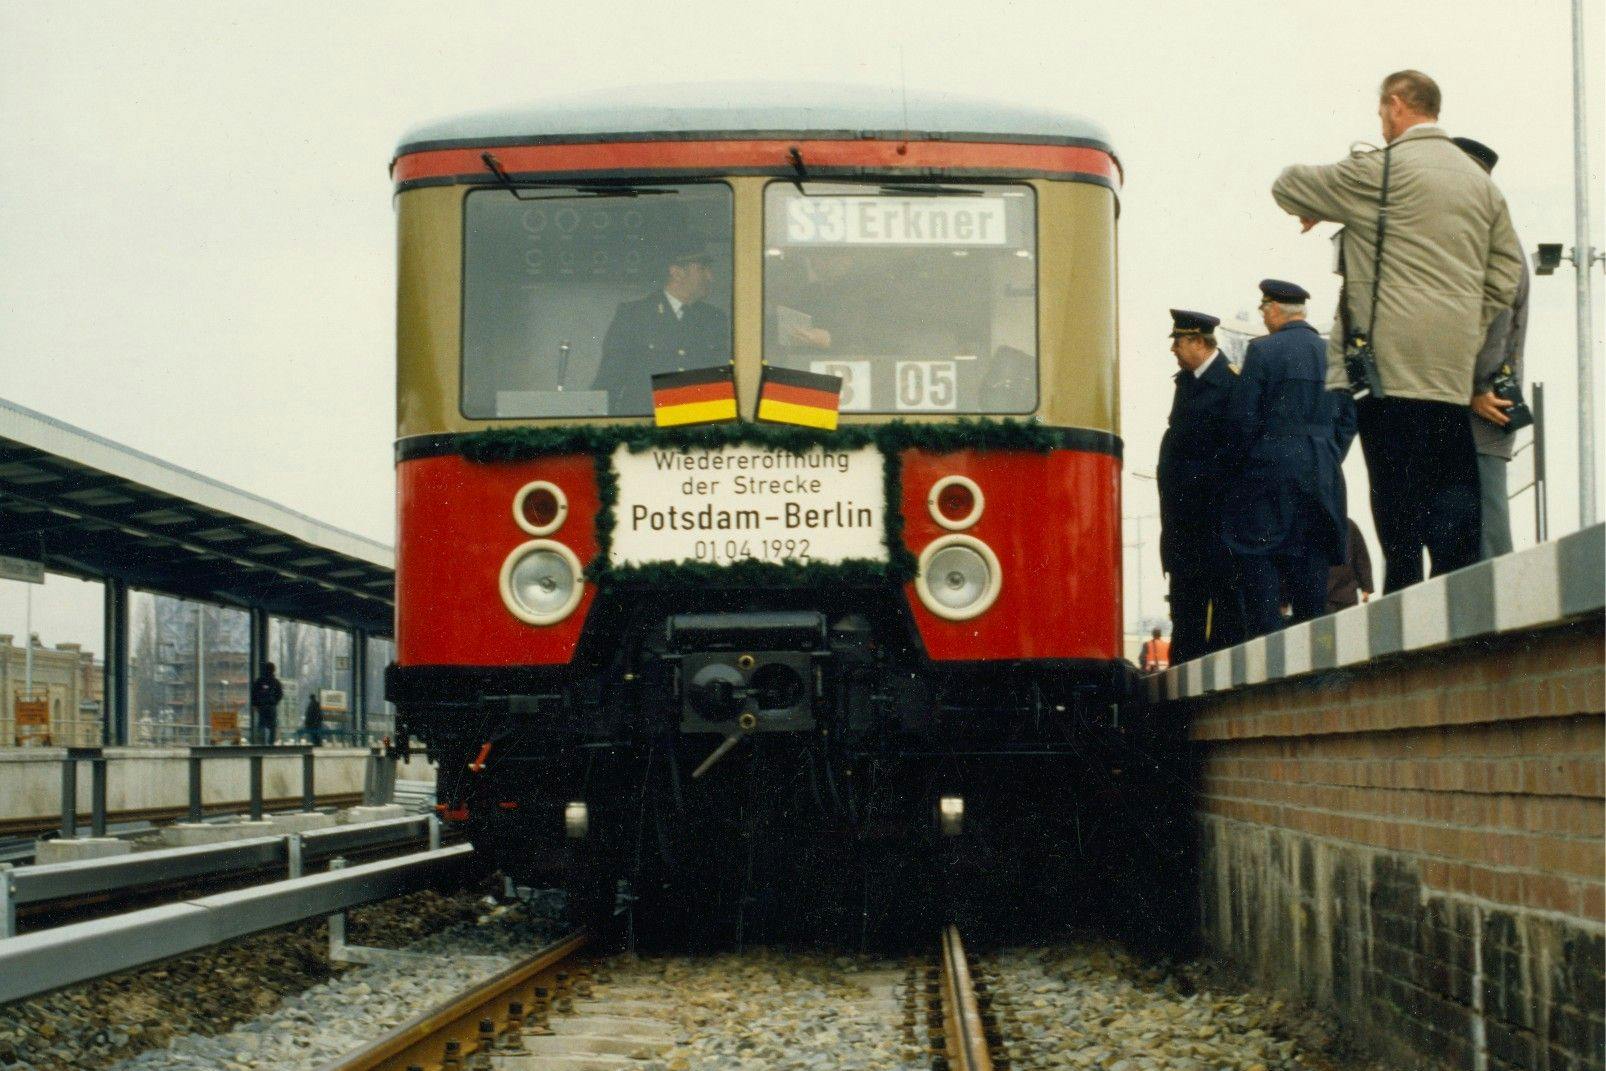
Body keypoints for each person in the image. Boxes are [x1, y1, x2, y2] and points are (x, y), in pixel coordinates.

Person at [1271, 70, 1524, 592]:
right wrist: (1467, 325)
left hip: (1386, 366)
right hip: (1450, 369)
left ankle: (1404, 597)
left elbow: (1287, 184)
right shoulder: (1480, 183)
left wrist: (1323, 204)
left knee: (1395, 497)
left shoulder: (1379, 171)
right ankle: (1455, 603)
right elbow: (1507, 272)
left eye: (1381, 112)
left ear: (1395, 105)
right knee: (1452, 496)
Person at [1222, 280, 1347, 638]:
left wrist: (1249, 465)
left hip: (1268, 477)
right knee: (1312, 576)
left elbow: (1243, 420)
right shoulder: (1333, 355)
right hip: (1322, 476)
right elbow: (1348, 420)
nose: (1263, 317)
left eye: (1264, 309)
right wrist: (1326, 455)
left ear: (1275, 309)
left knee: (1260, 569)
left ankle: (1268, 656)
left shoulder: (1262, 351)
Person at [1453, 136, 1530, 559]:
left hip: (1483, 406)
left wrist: (1476, 387)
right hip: (1481, 406)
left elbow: (1496, 319)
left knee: (1486, 537)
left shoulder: (1489, 235)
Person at [1157, 309, 1243, 664]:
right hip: (1184, 523)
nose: (1173, 349)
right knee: (1185, 613)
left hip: (1212, 524)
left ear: (1197, 342)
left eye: (1178, 342)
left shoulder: (1230, 384)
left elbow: (1232, 455)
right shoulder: (1188, 383)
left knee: (1219, 615)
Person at [595, 247, 730, 415]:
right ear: (676, 272)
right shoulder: (635, 315)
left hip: (694, 422)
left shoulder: (713, 318)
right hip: (646, 423)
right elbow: (609, 380)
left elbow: (719, 384)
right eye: (702, 269)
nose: (710, 277)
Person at [1328, 517, 1375, 612]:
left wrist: (1366, 587)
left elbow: (1361, 556)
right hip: (1324, 596)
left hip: (1348, 593)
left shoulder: (1349, 525)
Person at [249, 662, 283, 746]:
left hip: (261, 707)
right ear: (273, 670)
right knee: (272, 725)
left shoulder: (259, 681)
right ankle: (271, 743)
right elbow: (280, 694)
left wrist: (255, 704)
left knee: (262, 724)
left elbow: (253, 693)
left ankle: (262, 742)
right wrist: (275, 702)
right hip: (271, 707)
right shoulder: (276, 682)